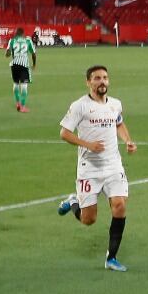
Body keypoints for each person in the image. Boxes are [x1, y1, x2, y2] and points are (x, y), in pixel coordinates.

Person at [57, 65, 137, 272]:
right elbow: (64, 133)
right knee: (88, 219)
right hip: (89, 169)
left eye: (105, 78)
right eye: (97, 78)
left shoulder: (115, 104)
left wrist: (128, 140)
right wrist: (88, 144)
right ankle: (73, 201)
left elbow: (119, 123)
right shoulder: (79, 106)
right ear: (88, 82)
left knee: (119, 206)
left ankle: (111, 258)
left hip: (113, 165)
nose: (102, 81)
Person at [5, 26, 37, 112]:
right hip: (24, 65)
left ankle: (17, 102)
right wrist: (34, 64)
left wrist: (10, 51)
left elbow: (7, 55)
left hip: (14, 65)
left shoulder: (12, 41)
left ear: (16, 33)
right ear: (23, 34)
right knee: (24, 86)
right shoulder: (27, 40)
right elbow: (33, 54)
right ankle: (22, 106)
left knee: (15, 84)